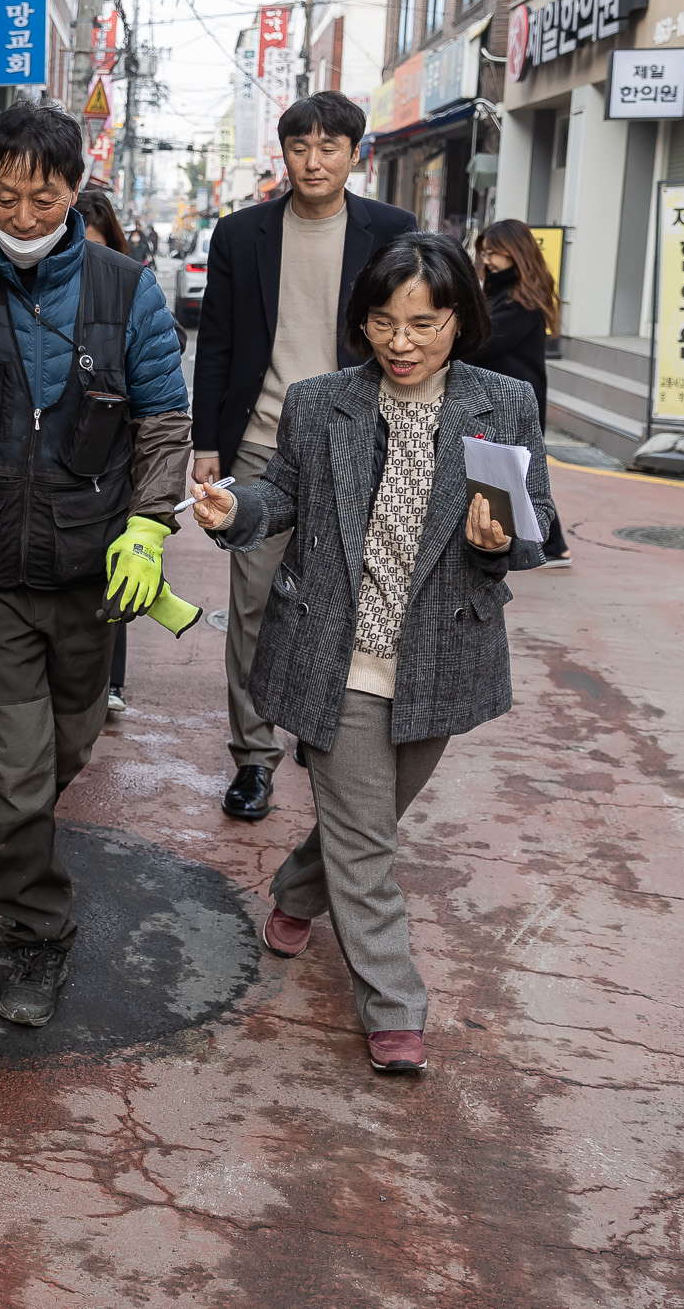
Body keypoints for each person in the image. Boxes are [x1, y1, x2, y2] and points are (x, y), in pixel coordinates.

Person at [189, 232, 554, 1074]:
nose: (401, 341)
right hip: (335, 651)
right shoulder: (321, 403)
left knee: (367, 823)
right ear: (363, 322)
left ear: (459, 319)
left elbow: (532, 527)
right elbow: (279, 494)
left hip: (438, 659)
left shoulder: (502, 404)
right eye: (384, 322)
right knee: (368, 844)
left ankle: (294, 889)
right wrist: (232, 508)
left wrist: (498, 542)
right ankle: (395, 1007)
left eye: (423, 323)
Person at [0, 106, 199, 1028]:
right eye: (6, 194)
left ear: (77, 189)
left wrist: (150, 525)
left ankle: (6, 825)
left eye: (45, 195)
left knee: (65, 746)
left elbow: (162, 419)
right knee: (18, 764)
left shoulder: (129, 290)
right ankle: (39, 930)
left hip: (92, 569)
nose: (26, 214)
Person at [192, 92, 416, 824]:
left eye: (329, 146)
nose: (313, 160)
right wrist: (206, 444)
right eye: (299, 146)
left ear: (356, 153)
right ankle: (253, 757)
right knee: (253, 603)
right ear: (282, 153)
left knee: (353, 605)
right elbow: (217, 344)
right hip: (260, 445)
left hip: (363, 444)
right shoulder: (241, 233)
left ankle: (324, 735)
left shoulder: (392, 230)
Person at [466, 220, 570, 565]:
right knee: (512, 471)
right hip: (501, 395)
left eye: (494, 252)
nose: (488, 259)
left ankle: (552, 545)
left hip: (516, 400)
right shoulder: (503, 292)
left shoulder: (522, 299)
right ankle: (550, 545)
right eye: (485, 252)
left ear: (516, 252)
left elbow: (484, 343)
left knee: (521, 473)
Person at [74, 182, 140, 716]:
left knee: (116, 562)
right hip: (63, 453)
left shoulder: (132, 291)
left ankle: (109, 682)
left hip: (116, 455)